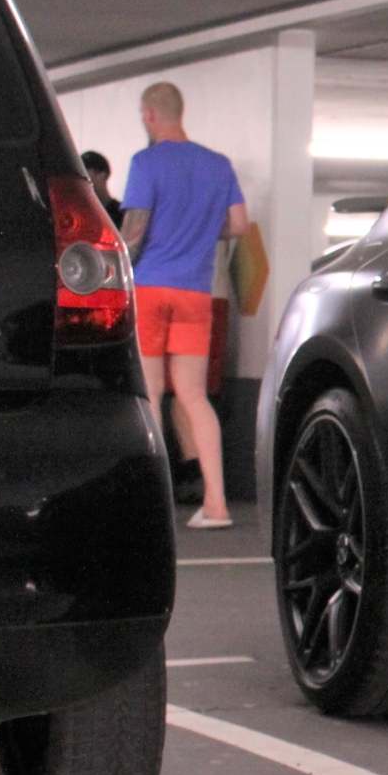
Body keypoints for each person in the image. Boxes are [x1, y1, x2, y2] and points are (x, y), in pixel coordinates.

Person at [120, 82, 249, 530]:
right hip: (197, 292)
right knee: (194, 395)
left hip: (151, 289)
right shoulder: (218, 165)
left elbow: (134, 232)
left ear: (151, 115)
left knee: (151, 394)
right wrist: (193, 235)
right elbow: (238, 224)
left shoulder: (145, 162)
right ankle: (217, 504)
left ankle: (152, 506)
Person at [80, 150, 126, 224]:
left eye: (86, 173)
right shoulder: (78, 214)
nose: (83, 181)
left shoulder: (121, 213)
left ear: (103, 175)